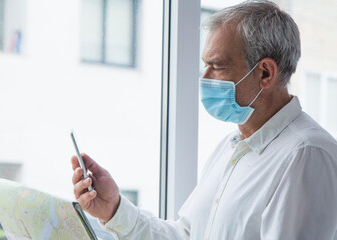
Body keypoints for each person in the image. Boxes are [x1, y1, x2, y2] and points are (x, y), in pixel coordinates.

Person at [72, 0, 337, 239]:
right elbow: (186, 235)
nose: (204, 78)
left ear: (265, 73)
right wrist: (115, 210)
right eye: (205, 65)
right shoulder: (232, 147)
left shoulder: (307, 156)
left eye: (218, 66)